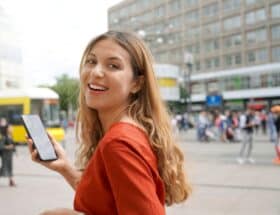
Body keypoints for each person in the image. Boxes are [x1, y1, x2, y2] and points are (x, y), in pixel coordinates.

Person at [27, 31, 191, 215]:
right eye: (91, 61)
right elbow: (107, 200)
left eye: (113, 65)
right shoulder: (127, 133)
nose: (96, 72)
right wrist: (65, 168)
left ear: (137, 83)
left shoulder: (119, 143)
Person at [0, 117, 16, 186]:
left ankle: (11, 181)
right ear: (7, 129)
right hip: (5, 155)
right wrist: (9, 147)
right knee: (4, 168)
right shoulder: (4, 137)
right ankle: (11, 181)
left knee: (9, 168)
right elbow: (1, 146)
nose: (12, 129)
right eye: (11, 128)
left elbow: (13, 145)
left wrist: (14, 149)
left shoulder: (10, 136)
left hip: (9, 155)